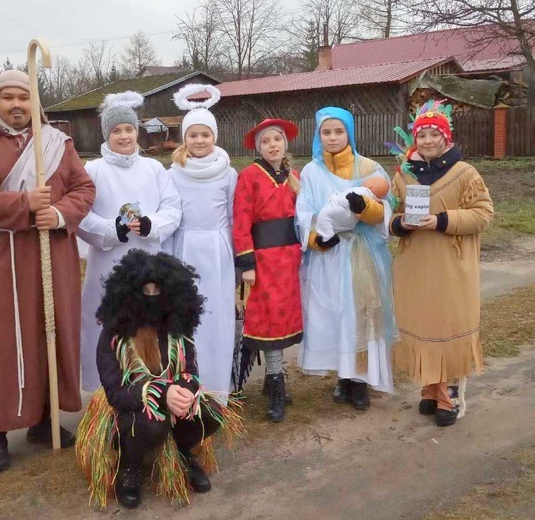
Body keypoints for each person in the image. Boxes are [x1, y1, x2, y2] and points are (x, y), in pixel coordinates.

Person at [0, 70, 96, 474]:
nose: (17, 105)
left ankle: (42, 420)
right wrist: (23, 203)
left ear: (35, 103)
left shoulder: (57, 143)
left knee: (49, 332)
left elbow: (84, 188)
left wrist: (60, 213)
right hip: (0, 261)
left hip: (52, 256)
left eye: (24, 97)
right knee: (2, 343)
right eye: (9, 97)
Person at [75, 250, 242, 509]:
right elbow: (116, 393)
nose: (152, 298)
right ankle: (129, 464)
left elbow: (191, 371)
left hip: (171, 400)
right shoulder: (114, 334)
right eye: (146, 291)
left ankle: (182, 452)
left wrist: (186, 393)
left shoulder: (176, 327)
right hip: (130, 408)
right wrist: (162, 394)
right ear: (129, 292)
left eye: (158, 291)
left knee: (212, 412)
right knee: (153, 423)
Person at [389, 101, 494, 427]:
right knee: (422, 323)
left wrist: (441, 220)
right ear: (414, 138)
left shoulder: (465, 173)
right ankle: (429, 388)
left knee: (447, 324)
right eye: (422, 134)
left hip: (451, 265)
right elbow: (389, 216)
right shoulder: (404, 175)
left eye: (435, 134)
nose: (428, 140)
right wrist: (401, 223)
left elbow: (483, 214)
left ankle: (448, 393)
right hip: (415, 265)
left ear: (446, 138)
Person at [77, 91, 181, 393]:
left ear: (137, 131)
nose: (124, 136)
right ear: (106, 134)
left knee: (147, 327)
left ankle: (150, 389)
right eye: (116, 130)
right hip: (107, 263)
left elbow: (172, 208)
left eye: (129, 129)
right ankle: (105, 394)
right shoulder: (92, 170)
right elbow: (82, 216)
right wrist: (113, 230)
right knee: (108, 326)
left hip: (147, 260)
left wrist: (150, 225)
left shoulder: (153, 169)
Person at [296, 107, 397, 411]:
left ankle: (362, 378)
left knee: (359, 313)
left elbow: (384, 211)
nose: (332, 137)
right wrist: (317, 239)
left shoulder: (369, 168)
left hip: (361, 255)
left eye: (338, 131)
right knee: (335, 315)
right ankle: (343, 375)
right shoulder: (311, 172)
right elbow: (303, 213)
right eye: (326, 132)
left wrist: (365, 207)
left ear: (349, 133)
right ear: (318, 135)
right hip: (329, 256)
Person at [165, 84, 238, 398]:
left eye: (205, 135)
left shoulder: (228, 173)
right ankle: (187, 384)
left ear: (215, 137)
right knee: (188, 317)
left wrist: (237, 257)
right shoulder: (173, 173)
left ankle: (219, 386)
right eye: (193, 135)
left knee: (216, 316)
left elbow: (235, 216)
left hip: (218, 251)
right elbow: (168, 216)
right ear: (184, 139)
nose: (199, 141)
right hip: (185, 250)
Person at [232, 119, 303, 423]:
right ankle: (276, 382)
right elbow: (241, 220)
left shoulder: (294, 177)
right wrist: (246, 263)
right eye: (266, 141)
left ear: (285, 144)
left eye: (278, 139)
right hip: (263, 261)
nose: (273, 145)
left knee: (285, 321)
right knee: (269, 322)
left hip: (290, 260)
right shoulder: (249, 177)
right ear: (258, 147)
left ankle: (275, 374)